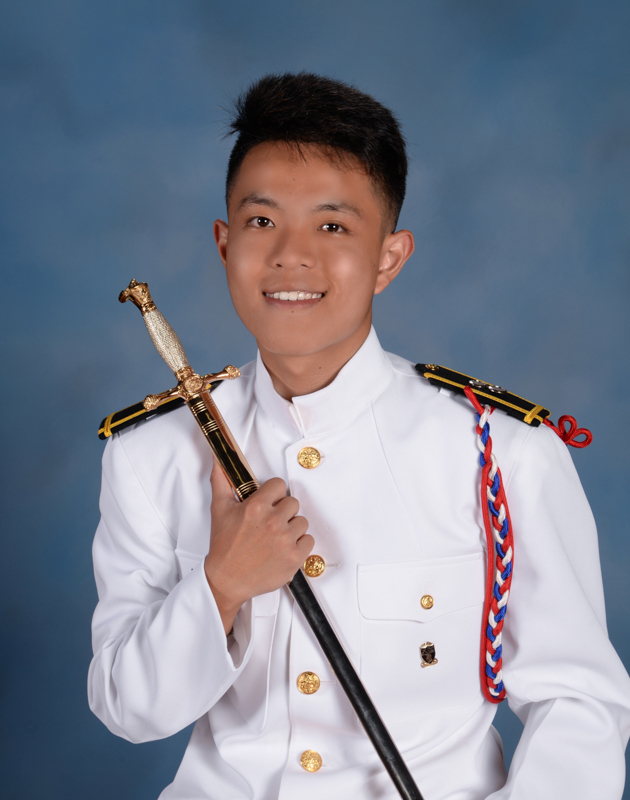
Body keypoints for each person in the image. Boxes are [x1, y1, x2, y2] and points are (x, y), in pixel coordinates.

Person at [88, 73, 630, 799]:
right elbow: (127, 709)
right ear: (224, 244)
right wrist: (221, 585)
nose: (291, 255)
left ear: (388, 258)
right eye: (261, 221)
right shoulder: (148, 454)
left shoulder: (501, 454)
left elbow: (580, 703)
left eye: (333, 226)